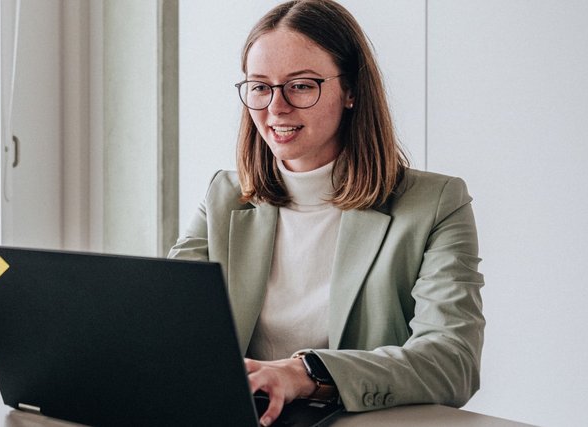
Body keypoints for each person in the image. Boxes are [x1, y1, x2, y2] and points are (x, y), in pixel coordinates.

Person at [168, 1, 484, 425]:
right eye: (260, 87)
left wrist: (306, 373)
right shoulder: (224, 196)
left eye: (300, 85)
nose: (275, 107)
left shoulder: (436, 203)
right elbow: (167, 328)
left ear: (351, 90)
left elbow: (452, 362)